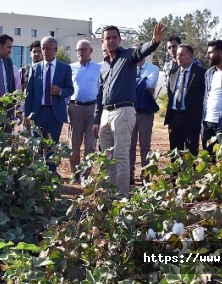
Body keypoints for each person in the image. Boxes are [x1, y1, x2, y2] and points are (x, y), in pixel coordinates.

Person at [91, 23, 165, 196]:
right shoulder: (103, 66)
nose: (111, 41)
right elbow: (100, 94)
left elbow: (141, 51)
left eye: (114, 37)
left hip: (123, 111)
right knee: (107, 157)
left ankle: (121, 198)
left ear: (120, 39)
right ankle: (109, 196)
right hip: (106, 114)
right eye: (107, 38)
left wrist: (154, 41)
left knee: (121, 156)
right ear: (102, 41)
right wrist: (96, 120)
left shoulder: (128, 56)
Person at [25, 36, 74, 172]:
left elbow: (70, 89)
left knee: (52, 146)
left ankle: (51, 174)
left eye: (48, 49)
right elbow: (29, 93)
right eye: (43, 48)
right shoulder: (35, 68)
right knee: (37, 145)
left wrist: (60, 91)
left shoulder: (64, 68)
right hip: (38, 112)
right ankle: (37, 173)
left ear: (56, 50)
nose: (45, 51)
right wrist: (27, 115)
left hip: (55, 114)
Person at [164, 44, 206, 156]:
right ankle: (175, 173)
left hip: (191, 117)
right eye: (177, 54)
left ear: (191, 56)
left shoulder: (201, 73)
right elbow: (170, 92)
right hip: (174, 116)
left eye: (182, 54)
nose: (179, 57)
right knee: (175, 149)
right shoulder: (173, 72)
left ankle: (190, 173)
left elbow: (205, 95)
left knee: (190, 150)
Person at [67, 39, 100, 180]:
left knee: (90, 144)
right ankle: (75, 173)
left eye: (84, 49)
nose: (81, 52)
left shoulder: (99, 68)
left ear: (91, 51)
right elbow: (67, 88)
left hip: (93, 108)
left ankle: (86, 174)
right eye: (78, 50)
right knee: (74, 144)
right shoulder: (70, 68)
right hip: (75, 108)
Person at [130, 43, 160, 184]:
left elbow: (150, 84)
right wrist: (142, 84)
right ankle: (129, 175)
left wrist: (134, 85)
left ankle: (145, 176)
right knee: (129, 145)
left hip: (145, 112)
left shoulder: (153, 68)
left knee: (145, 146)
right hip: (129, 111)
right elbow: (145, 85)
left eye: (139, 50)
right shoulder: (128, 68)